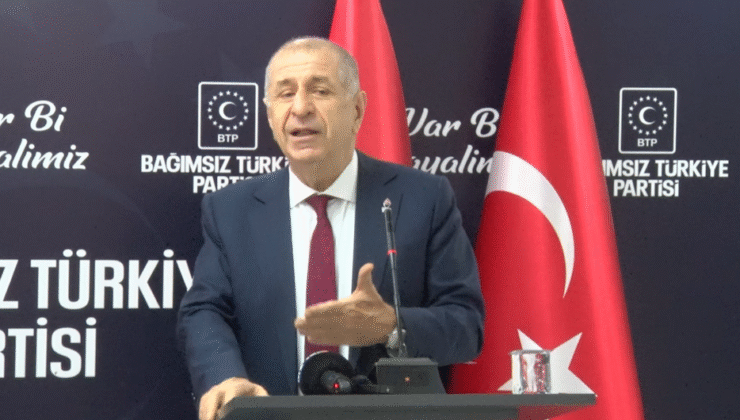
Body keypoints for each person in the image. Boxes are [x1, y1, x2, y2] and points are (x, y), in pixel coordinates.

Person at [177, 37, 484, 420]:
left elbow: (466, 326)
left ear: (357, 109)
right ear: (270, 115)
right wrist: (227, 378)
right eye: (285, 94)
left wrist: (390, 325)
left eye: (320, 90)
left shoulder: (423, 198)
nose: (300, 108)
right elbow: (205, 311)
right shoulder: (231, 209)